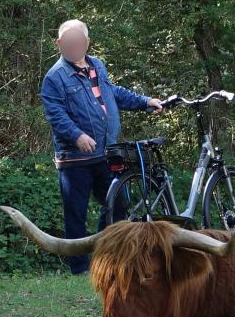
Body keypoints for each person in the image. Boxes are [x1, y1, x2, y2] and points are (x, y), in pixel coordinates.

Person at [40, 20, 162, 274]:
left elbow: (113, 93)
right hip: (75, 158)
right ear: (59, 44)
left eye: (78, 41)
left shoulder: (97, 66)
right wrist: (77, 136)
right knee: (76, 213)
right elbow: (55, 114)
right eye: (67, 42)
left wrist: (144, 102)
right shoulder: (54, 77)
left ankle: (104, 258)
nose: (73, 46)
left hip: (106, 153)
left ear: (86, 43)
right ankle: (79, 268)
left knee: (117, 204)